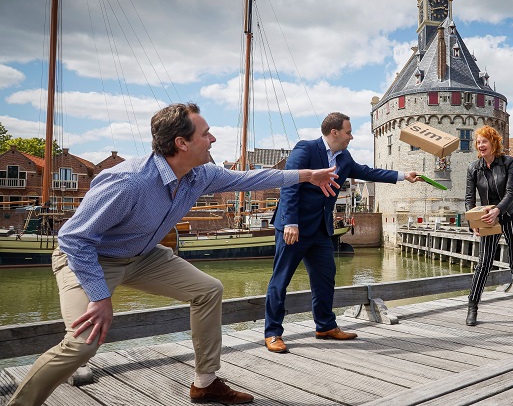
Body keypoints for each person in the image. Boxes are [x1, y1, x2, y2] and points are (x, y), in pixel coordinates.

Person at [6, 103, 339, 406]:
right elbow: (75, 238)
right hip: (89, 259)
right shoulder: (129, 181)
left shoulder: (199, 175)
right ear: (182, 143)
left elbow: (250, 177)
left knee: (208, 290)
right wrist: (99, 295)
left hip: (141, 255)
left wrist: (308, 175)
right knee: (82, 345)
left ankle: (205, 383)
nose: (213, 138)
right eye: (205, 133)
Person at [263, 112, 418, 353]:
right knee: (280, 280)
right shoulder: (305, 149)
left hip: (320, 229)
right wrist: (291, 222)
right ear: (334, 132)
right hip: (294, 228)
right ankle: (273, 332)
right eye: (348, 132)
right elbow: (289, 185)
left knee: (326, 278)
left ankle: (325, 326)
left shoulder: (344, 157)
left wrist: (402, 176)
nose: (351, 136)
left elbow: (367, 172)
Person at [464, 125, 513, 326]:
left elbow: (511, 192)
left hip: (511, 214)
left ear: (494, 143)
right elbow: (469, 199)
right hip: (487, 218)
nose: (480, 145)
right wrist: (472, 221)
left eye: (484, 141)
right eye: (478, 142)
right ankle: (472, 307)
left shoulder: (508, 162)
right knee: (483, 263)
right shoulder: (473, 168)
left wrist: (497, 211)